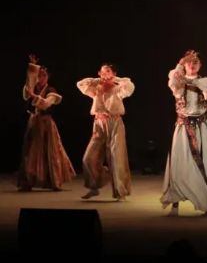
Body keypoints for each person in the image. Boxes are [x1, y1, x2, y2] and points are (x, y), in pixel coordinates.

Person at [160, 50, 207, 216]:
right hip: (183, 127)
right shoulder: (177, 83)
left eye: (195, 62)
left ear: (200, 65)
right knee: (179, 162)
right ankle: (175, 204)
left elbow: (205, 86)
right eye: (189, 62)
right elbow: (174, 78)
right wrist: (180, 63)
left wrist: (187, 78)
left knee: (205, 162)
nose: (192, 65)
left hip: (201, 128)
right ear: (184, 65)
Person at [17, 55, 75, 191]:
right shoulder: (31, 89)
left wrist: (34, 96)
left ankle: (55, 181)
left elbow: (45, 104)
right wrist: (32, 68)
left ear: (48, 77)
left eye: (43, 75)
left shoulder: (51, 91)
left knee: (51, 151)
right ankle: (28, 181)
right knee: (31, 151)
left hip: (46, 123)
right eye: (38, 75)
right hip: (34, 121)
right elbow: (27, 91)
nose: (41, 78)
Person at [78, 63, 134, 200]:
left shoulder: (118, 89)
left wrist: (115, 79)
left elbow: (129, 87)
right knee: (88, 158)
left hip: (114, 123)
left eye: (108, 71)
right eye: (102, 72)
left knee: (116, 157)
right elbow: (80, 84)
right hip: (99, 124)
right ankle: (94, 186)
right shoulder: (96, 88)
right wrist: (98, 80)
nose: (104, 74)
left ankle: (120, 192)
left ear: (114, 73)